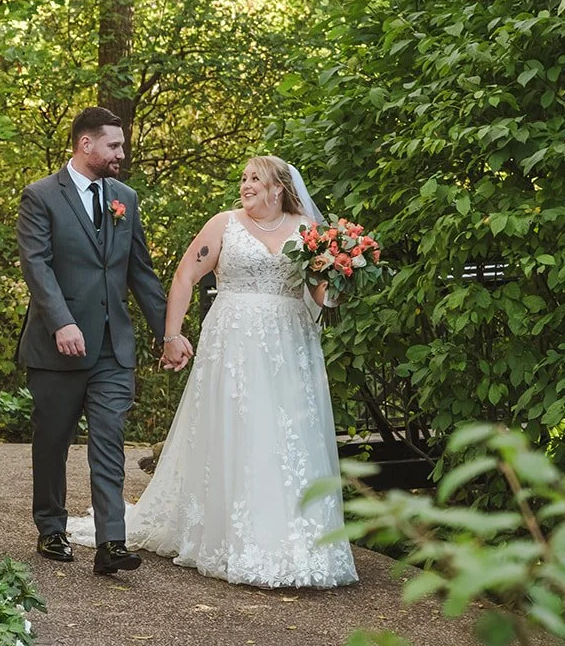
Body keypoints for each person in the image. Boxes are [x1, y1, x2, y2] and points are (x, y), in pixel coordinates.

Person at [73, 156, 358, 590]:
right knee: (239, 429)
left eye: (255, 179)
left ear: (278, 188)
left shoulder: (307, 231)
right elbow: (185, 275)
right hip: (233, 344)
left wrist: (343, 272)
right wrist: (172, 335)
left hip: (288, 345)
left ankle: (295, 539)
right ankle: (232, 534)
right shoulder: (224, 224)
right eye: (243, 178)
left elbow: (321, 297)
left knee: (287, 434)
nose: (246, 185)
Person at [15, 107, 183, 574]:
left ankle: (111, 541)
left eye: (122, 145)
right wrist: (61, 322)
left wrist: (169, 333)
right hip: (57, 347)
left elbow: (140, 273)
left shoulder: (125, 198)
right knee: (53, 441)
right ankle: (51, 528)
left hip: (113, 347)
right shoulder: (41, 196)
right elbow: (36, 266)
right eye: (114, 145)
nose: (121, 154)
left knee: (109, 439)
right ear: (85, 144)